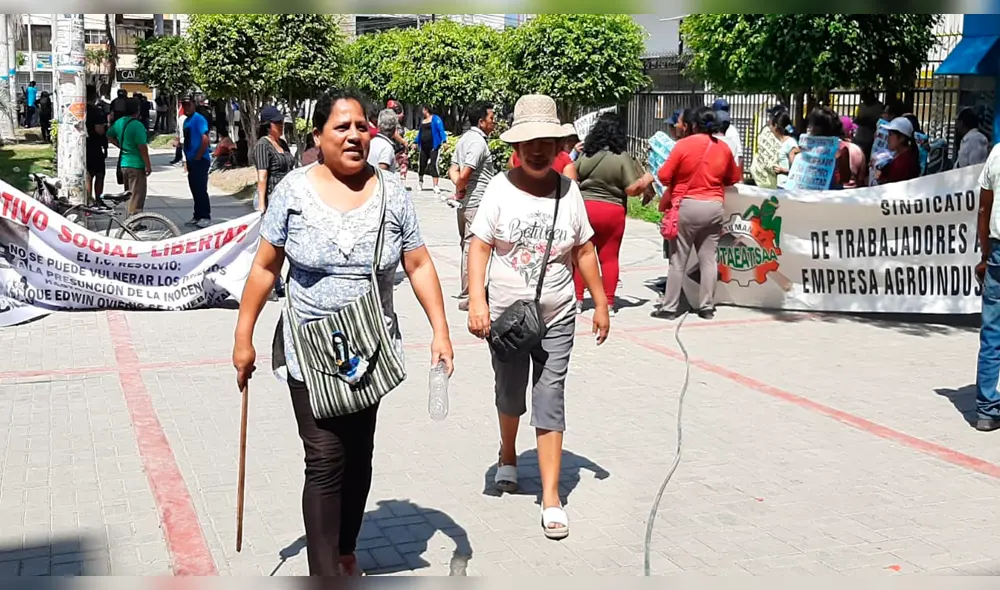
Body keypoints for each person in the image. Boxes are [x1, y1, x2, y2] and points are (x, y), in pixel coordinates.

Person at [232, 88, 454, 575]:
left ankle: (346, 546)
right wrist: (243, 335)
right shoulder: (293, 189)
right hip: (307, 349)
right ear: (318, 136)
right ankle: (325, 571)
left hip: (369, 348)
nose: (354, 135)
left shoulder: (393, 193)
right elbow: (266, 268)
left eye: (361, 126)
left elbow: (417, 264)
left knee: (358, 455)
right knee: (325, 459)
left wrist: (440, 330)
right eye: (341, 126)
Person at [465, 93, 609, 540]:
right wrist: (477, 300)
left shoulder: (569, 192)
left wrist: (600, 302)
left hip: (559, 314)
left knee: (551, 399)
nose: (538, 149)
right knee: (510, 396)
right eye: (530, 141)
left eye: (547, 140)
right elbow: (480, 246)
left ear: (558, 143)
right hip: (508, 320)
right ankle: (508, 453)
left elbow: (584, 249)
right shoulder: (499, 189)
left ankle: (550, 496)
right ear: (517, 146)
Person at [652, 107, 741, 320]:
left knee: (678, 259)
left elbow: (664, 176)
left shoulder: (683, 145)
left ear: (693, 125)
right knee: (709, 258)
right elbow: (733, 177)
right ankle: (707, 307)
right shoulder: (724, 149)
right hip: (714, 207)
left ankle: (670, 308)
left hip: (687, 206)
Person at [572, 112, 654, 316]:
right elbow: (631, 189)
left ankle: (578, 299)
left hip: (585, 208)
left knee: (582, 254)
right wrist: (647, 180)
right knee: (609, 258)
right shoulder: (622, 158)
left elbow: (571, 174)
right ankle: (608, 302)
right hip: (612, 211)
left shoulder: (586, 154)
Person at [448, 101, 496, 311]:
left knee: (467, 246)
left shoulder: (464, 139)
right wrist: (461, 187)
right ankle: (469, 295)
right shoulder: (477, 143)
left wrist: (459, 187)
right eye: (492, 118)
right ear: (481, 121)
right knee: (473, 248)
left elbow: (453, 168)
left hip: (467, 203)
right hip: (476, 203)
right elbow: (465, 172)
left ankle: (468, 292)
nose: (494, 122)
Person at [974, 140, 1000, 431]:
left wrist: (984, 254)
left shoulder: (997, 153)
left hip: (998, 252)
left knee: (992, 333)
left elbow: (984, 209)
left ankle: (987, 410)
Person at [106, 98, 152, 216]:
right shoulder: (138, 125)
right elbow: (142, 147)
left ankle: (129, 218)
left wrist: (121, 146)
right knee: (137, 194)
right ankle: (134, 222)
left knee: (128, 194)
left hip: (124, 164)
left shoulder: (120, 122)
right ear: (137, 110)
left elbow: (109, 135)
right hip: (136, 164)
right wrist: (147, 165)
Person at [802, 107, 852, 189]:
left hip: (830, 197)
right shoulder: (805, 146)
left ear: (820, 128)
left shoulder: (840, 149)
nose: (809, 128)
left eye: (811, 124)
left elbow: (845, 178)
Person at [181, 96, 212, 228]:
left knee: (200, 189)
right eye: (184, 105)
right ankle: (197, 215)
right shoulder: (186, 121)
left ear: (194, 105)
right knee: (194, 188)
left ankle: (205, 215)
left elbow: (205, 139)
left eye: (189, 105)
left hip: (200, 160)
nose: (186, 107)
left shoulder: (199, 119)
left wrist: (199, 156)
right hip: (191, 159)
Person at [874, 117, 920, 185]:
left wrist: (881, 178)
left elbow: (894, 185)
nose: (888, 138)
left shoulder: (905, 161)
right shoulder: (897, 155)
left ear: (902, 138)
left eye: (890, 134)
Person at [85, 84, 109, 204]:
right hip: (95, 145)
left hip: (84, 146)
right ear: (94, 95)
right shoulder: (96, 111)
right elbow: (99, 130)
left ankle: (88, 200)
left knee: (88, 174)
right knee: (99, 174)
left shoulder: (80, 109)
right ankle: (98, 200)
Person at [415, 106, 447, 196]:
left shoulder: (436, 119)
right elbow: (420, 133)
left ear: (426, 109)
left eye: (423, 109)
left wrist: (444, 141)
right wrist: (415, 142)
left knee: (433, 165)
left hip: (434, 146)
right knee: (422, 165)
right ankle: (420, 182)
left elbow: (441, 130)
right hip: (423, 147)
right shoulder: (423, 121)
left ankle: (435, 185)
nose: (422, 111)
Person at [509, 141, 579, 180]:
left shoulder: (515, 155)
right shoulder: (565, 159)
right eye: (529, 143)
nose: (537, 151)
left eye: (545, 143)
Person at [770, 111, 799, 189]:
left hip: (784, 188)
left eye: (770, 125)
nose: (770, 128)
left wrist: (782, 170)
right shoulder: (774, 142)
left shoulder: (790, 143)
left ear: (775, 126)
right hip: (773, 186)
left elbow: (797, 170)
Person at [712, 98, 743, 169]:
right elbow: (739, 156)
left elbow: (739, 156)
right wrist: (741, 178)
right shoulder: (733, 129)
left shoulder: (710, 128)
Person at [854, 89, 883, 162]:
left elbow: (881, 123)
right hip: (860, 137)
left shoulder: (879, 107)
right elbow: (857, 119)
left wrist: (869, 122)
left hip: (872, 139)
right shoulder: (861, 106)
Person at [839, 115, 867, 188]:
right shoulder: (857, 150)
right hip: (852, 193)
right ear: (850, 132)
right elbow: (861, 181)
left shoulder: (828, 148)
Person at [386, 100, 409, 185]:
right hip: (392, 147)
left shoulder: (398, 122)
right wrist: (404, 142)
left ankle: (401, 181)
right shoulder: (391, 121)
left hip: (399, 148)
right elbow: (394, 133)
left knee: (404, 162)